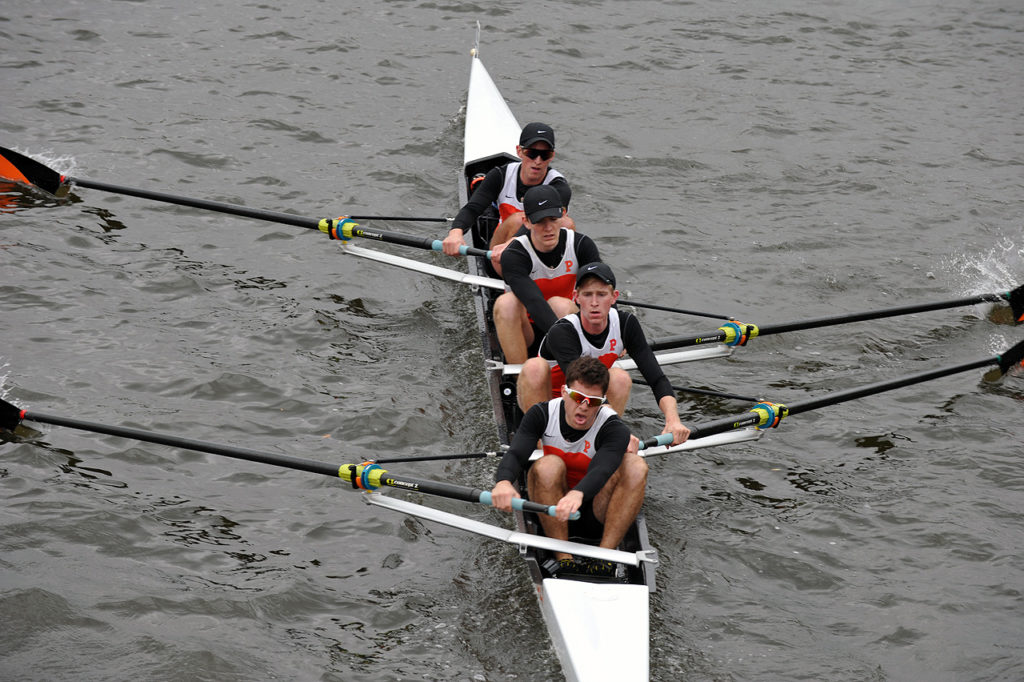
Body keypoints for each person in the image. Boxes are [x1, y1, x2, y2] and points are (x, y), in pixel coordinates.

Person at [490, 356, 646, 577]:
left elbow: (603, 468)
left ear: (603, 401)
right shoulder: (541, 414)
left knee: (636, 465)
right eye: (577, 397)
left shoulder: (614, 428)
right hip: (550, 509)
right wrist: (504, 482)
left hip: (594, 512)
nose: (583, 407)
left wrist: (578, 493)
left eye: (592, 401)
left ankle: (605, 556)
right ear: (564, 391)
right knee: (547, 465)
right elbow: (516, 454)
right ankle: (563, 558)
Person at [519, 261, 691, 445]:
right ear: (576, 297)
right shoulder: (563, 331)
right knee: (534, 367)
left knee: (620, 378)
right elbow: (582, 384)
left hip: (590, 403)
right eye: (587, 295)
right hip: (552, 399)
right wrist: (620, 430)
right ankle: (541, 445)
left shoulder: (626, 324)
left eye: (601, 295)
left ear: (614, 297)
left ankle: (601, 441)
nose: (594, 303)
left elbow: (657, 379)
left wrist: (673, 420)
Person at [441, 122, 575, 270]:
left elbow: (538, 225)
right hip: (500, 251)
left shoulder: (559, 187)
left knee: (566, 224)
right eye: (531, 153)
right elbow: (473, 208)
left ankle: (556, 273)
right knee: (519, 220)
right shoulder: (500, 175)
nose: (537, 161)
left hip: (539, 253)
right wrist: (455, 233)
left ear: (552, 156)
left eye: (545, 155)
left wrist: (514, 243)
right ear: (519, 152)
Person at [494, 184, 600, 364]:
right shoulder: (515, 255)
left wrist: (615, 331)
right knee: (505, 303)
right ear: (526, 222)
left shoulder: (582, 245)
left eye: (553, 219)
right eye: (540, 221)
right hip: (527, 332)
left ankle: (574, 372)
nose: (548, 228)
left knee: (560, 305)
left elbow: (602, 291)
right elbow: (534, 302)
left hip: (566, 320)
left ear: (563, 214)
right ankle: (521, 382)